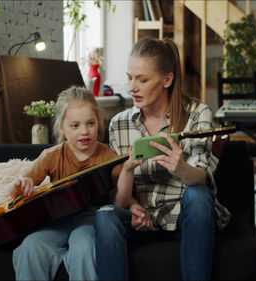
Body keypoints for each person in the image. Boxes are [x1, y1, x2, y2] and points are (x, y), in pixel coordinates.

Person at [94, 38, 232, 280]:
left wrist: (182, 169)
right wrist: (134, 204)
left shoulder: (198, 114)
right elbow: (119, 197)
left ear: (167, 80)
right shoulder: (119, 124)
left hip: (183, 215)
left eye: (142, 79)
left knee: (199, 196)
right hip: (141, 217)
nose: (132, 88)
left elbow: (203, 178)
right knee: (105, 215)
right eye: (130, 77)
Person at [11, 86, 121, 281]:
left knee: (85, 247)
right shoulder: (52, 155)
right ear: (62, 127)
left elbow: (119, 197)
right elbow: (17, 190)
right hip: (57, 218)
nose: (84, 131)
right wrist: (21, 185)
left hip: (91, 218)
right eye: (75, 125)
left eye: (90, 123)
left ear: (99, 123)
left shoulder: (108, 157)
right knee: (31, 246)